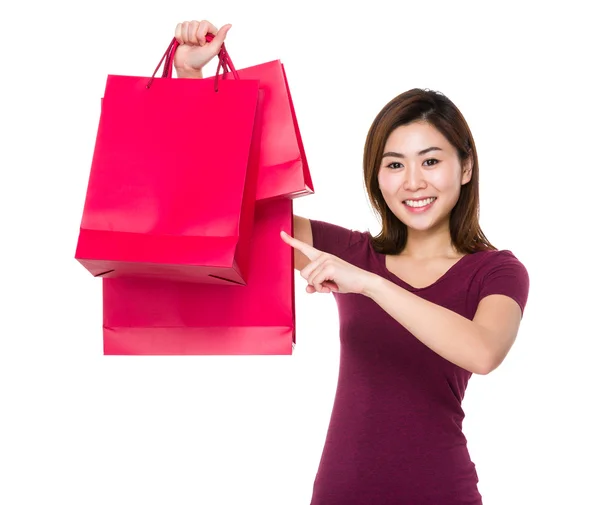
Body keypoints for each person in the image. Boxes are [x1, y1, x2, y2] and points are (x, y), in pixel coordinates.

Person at [173, 20, 530, 505]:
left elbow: (483, 352)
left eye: (430, 161)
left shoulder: (496, 271)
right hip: (341, 493)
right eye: (394, 164)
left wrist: (371, 285)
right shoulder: (351, 252)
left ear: (464, 168)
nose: (412, 182)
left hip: (441, 493)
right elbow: (227, 209)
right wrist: (189, 76)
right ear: (377, 176)